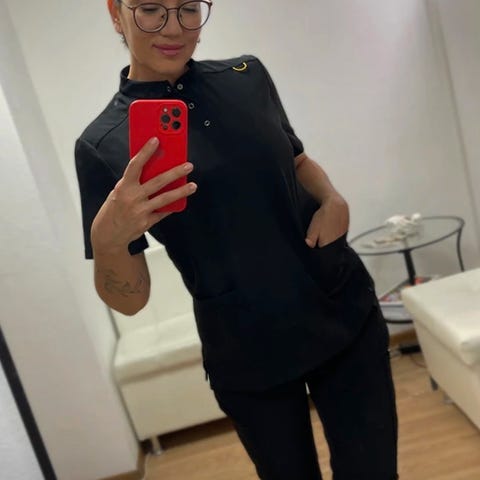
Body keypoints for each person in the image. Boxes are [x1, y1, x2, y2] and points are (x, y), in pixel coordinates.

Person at [75, 1, 399, 478]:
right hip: (247, 351)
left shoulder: (247, 76)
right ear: (115, 12)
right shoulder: (103, 145)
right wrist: (107, 243)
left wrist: (333, 199)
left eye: (188, 8)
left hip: (339, 308)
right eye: (150, 9)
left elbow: (296, 159)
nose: (173, 28)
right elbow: (131, 302)